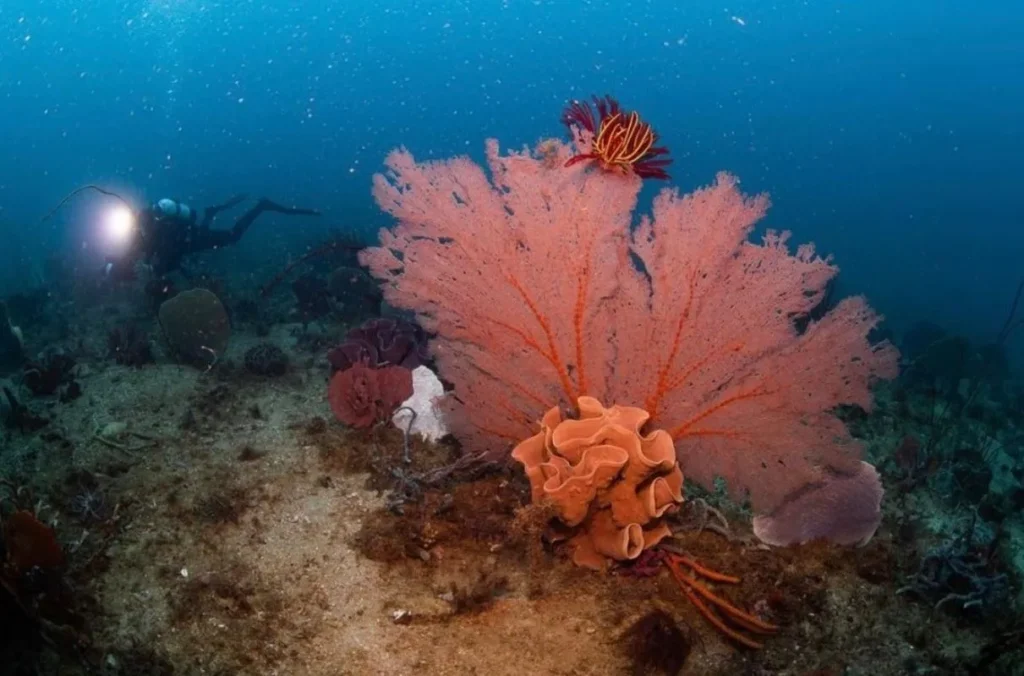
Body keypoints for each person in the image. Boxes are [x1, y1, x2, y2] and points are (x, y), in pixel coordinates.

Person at [106, 194, 320, 278]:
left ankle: (261, 206)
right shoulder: (147, 225)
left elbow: (170, 258)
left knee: (232, 237)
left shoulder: (153, 233)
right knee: (205, 235)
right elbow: (133, 255)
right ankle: (210, 213)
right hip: (188, 237)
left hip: (192, 239)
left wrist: (154, 269)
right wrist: (111, 267)